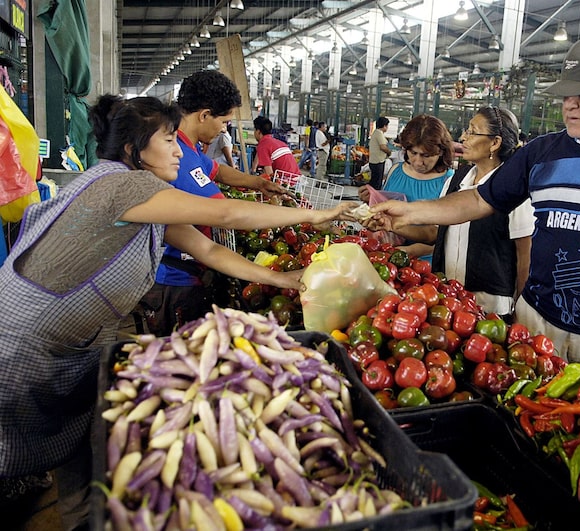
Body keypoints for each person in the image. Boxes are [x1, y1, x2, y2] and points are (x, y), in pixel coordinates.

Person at [0, 95, 355, 527]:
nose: (177, 150)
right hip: (29, 336)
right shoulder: (125, 186)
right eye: (168, 139)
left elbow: (206, 247)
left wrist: (282, 280)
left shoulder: (143, 198)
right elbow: (224, 212)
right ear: (133, 150)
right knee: (14, 440)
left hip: (64, 335)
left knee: (78, 431)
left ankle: (80, 518)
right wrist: (314, 215)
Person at [370, 34, 580, 381]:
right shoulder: (541, 154)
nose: (570, 106)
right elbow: (479, 199)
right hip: (540, 324)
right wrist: (410, 212)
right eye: (566, 96)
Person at [138, 70, 288, 337]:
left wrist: (257, 182)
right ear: (204, 115)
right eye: (224, 121)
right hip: (175, 284)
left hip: (192, 271)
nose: (224, 129)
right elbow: (226, 213)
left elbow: (215, 170)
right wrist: (306, 216)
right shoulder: (174, 159)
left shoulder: (188, 146)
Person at [366, 107, 533, 317]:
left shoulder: (514, 192)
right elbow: (434, 233)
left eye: (472, 131)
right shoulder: (457, 181)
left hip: (490, 308)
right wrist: (394, 224)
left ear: (495, 143)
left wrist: (520, 310)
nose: (463, 137)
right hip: (448, 302)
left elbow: (525, 256)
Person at [359, 114, 455, 261]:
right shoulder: (395, 171)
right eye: (413, 153)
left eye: (426, 155)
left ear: (441, 151)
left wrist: (412, 250)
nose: (418, 162)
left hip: (425, 267)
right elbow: (385, 209)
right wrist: (371, 202)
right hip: (388, 257)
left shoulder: (449, 181)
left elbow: (443, 237)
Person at [368, 116, 392, 189]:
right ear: (384, 126)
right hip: (377, 161)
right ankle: (374, 197)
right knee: (377, 183)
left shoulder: (376, 132)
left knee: (374, 181)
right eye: (387, 126)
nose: (387, 128)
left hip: (374, 161)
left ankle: (371, 196)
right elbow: (383, 147)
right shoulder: (379, 133)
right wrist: (389, 152)